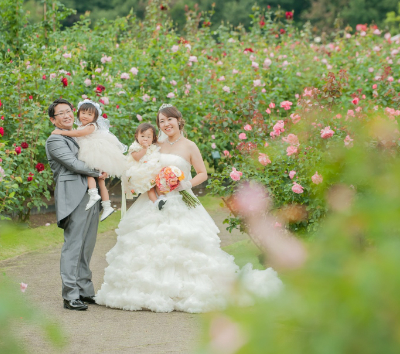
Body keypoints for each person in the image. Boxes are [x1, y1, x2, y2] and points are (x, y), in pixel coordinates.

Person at [95, 104, 282, 313]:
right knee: (150, 244)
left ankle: (185, 290)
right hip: (154, 200)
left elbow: (202, 173)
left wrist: (186, 184)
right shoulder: (157, 146)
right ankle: (151, 289)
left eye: (169, 119)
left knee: (184, 243)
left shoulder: (190, 146)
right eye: (161, 121)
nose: (166, 124)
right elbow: (142, 165)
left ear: (178, 120)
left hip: (181, 199)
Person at [45, 98, 107, 311]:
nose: (67, 115)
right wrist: (98, 171)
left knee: (87, 244)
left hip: (91, 194)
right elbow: (73, 163)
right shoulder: (55, 140)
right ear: (54, 120)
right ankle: (70, 295)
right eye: (60, 113)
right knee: (73, 245)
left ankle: (85, 290)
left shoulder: (80, 134)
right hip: (74, 196)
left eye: (68, 111)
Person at [52, 99, 127, 221]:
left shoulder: (91, 126)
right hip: (91, 150)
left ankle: (94, 195)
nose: (85, 116)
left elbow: (78, 134)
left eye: (89, 114)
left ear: (95, 117)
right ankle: (106, 205)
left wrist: (60, 132)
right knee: (99, 179)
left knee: (90, 172)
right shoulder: (80, 126)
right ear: (78, 113)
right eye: (83, 113)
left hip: (93, 150)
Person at [122, 122, 166, 209]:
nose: (145, 139)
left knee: (158, 183)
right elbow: (136, 158)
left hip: (153, 169)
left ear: (153, 138)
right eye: (142, 136)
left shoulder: (153, 146)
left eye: (148, 137)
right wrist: (144, 148)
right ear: (137, 136)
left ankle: (162, 198)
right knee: (149, 187)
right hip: (141, 172)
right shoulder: (135, 146)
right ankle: (156, 202)